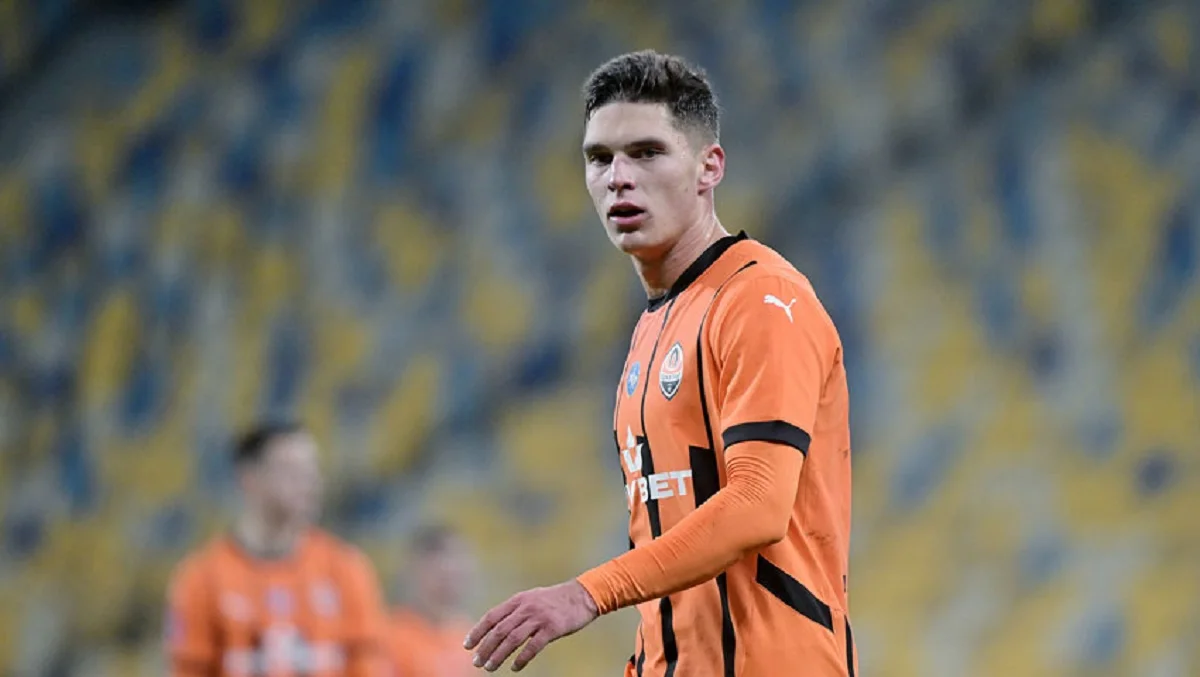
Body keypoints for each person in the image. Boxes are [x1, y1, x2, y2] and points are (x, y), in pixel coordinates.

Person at [463, 50, 856, 676]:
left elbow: (758, 502)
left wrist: (587, 593)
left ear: (709, 167)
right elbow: (674, 555)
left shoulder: (760, 298)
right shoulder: (654, 326)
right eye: (600, 158)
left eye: (646, 153)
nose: (619, 177)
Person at [164, 422, 390, 677]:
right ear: (249, 478)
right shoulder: (202, 578)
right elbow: (189, 669)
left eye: (313, 470)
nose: (309, 483)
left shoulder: (347, 569)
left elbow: (367, 665)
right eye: (291, 470)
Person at [387, 524, 478, 677]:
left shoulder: (468, 635)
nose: (448, 584)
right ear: (416, 570)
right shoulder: (391, 636)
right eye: (441, 574)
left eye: (454, 574)